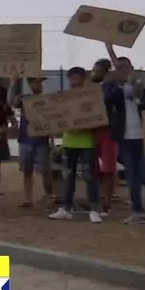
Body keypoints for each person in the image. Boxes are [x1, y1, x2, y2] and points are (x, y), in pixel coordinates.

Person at [103, 51, 145, 229]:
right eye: (118, 68)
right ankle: (137, 211)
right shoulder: (112, 86)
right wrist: (120, 86)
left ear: (131, 69)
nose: (122, 70)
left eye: (125, 67)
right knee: (132, 177)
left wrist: (138, 97)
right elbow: (108, 100)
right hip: (125, 138)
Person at [49, 67, 102, 223]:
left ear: (83, 79)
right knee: (68, 176)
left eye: (76, 78)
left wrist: (84, 127)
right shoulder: (63, 98)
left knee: (89, 176)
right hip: (69, 142)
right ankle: (66, 208)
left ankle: (94, 209)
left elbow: (97, 119)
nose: (73, 82)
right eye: (71, 79)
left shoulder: (90, 98)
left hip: (86, 143)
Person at [8, 74, 55, 208]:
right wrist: (13, 84)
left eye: (40, 83)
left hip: (41, 140)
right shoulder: (24, 99)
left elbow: (52, 121)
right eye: (37, 82)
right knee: (27, 171)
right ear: (30, 84)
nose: (39, 85)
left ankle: (49, 194)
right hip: (25, 140)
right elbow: (11, 102)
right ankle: (28, 198)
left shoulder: (47, 99)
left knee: (45, 170)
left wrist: (51, 141)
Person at [90, 57, 119, 215]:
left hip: (108, 132)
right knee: (93, 168)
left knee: (108, 168)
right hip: (92, 132)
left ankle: (107, 202)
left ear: (105, 72)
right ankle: (97, 199)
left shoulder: (113, 87)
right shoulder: (89, 88)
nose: (93, 73)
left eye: (96, 71)